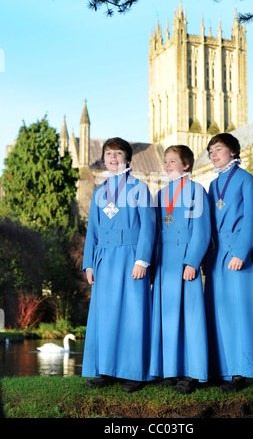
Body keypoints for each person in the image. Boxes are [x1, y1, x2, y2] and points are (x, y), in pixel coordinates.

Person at [82, 137, 156, 393]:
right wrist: (89, 264)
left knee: (132, 315)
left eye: (118, 154)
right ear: (104, 159)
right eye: (108, 154)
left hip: (131, 258)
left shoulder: (139, 187)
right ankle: (105, 371)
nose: (112, 158)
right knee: (106, 316)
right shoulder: (99, 192)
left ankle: (134, 373)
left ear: (127, 158)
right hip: (104, 260)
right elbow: (92, 229)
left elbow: (148, 225)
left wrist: (142, 260)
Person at [204, 133, 253, 392]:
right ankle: (221, 369)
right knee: (219, 312)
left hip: (237, 254)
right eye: (210, 151)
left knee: (240, 313)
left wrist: (241, 252)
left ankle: (241, 373)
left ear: (232, 151)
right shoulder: (212, 185)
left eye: (218, 149)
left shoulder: (248, 181)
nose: (213, 155)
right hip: (216, 254)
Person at [150, 145, 211, 394]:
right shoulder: (160, 194)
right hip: (164, 262)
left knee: (190, 318)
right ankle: (170, 370)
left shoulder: (197, 191)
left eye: (172, 161)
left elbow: (202, 230)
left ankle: (192, 373)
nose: (167, 165)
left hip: (185, 261)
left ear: (186, 164)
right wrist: (153, 264)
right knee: (166, 318)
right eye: (165, 161)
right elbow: (154, 233)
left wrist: (192, 261)